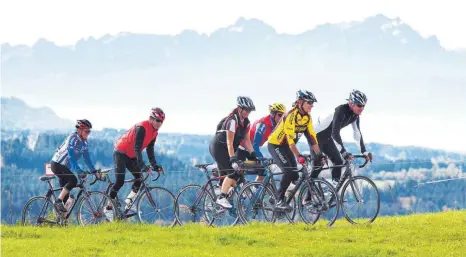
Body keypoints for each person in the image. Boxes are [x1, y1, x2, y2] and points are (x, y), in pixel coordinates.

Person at [267, 90, 326, 211]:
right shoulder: (291, 115)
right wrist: (298, 155)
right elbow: (290, 140)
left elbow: (312, 137)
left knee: (294, 175)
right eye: (309, 102)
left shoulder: (307, 117)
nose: (311, 105)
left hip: (287, 147)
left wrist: (320, 154)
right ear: (300, 102)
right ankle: (279, 200)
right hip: (276, 145)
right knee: (288, 171)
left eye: (312, 103)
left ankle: (281, 196)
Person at [108, 107, 165, 215]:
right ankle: (108, 208)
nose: (159, 123)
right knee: (119, 181)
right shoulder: (142, 127)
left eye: (161, 121)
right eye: (157, 120)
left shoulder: (154, 132)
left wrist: (154, 165)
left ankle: (129, 201)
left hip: (131, 155)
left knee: (139, 178)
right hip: (120, 152)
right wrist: (143, 165)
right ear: (151, 118)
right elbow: (137, 148)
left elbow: (150, 149)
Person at [312, 89, 373, 185]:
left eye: (363, 106)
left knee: (338, 162)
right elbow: (335, 133)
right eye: (359, 105)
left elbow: (357, 134)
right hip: (315, 137)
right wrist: (344, 152)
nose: (362, 108)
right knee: (318, 165)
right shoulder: (340, 110)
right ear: (351, 104)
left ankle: (334, 190)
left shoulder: (355, 116)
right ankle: (307, 198)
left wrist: (364, 151)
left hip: (328, 137)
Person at [209, 96, 259, 208]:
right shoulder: (232, 120)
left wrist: (253, 154)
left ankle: (213, 204)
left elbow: (246, 140)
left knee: (238, 177)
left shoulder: (246, 122)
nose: (248, 112)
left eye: (249, 111)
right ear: (239, 108)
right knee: (233, 172)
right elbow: (229, 143)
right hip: (218, 148)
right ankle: (221, 197)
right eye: (246, 109)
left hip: (228, 149)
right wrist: (233, 159)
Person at [51, 119, 99, 212]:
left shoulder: (84, 142)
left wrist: (94, 171)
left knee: (66, 196)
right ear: (79, 130)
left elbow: (87, 159)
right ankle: (58, 201)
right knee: (73, 180)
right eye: (86, 131)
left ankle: (61, 221)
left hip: (65, 167)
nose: (88, 134)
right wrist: (79, 171)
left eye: (89, 131)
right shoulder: (73, 138)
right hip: (57, 164)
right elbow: (71, 157)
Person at [236, 103, 286, 182]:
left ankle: (255, 190)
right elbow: (255, 144)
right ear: (273, 114)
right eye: (280, 115)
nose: (282, 118)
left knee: (263, 171)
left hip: (251, 150)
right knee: (238, 173)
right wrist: (262, 158)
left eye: (283, 116)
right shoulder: (263, 123)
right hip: (242, 148)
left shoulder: (276, 125)